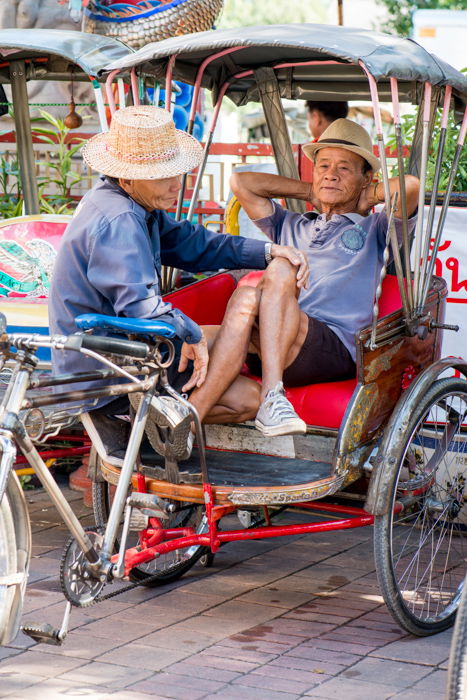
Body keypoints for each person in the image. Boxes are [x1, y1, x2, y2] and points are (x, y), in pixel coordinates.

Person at [48, 105, 307, 438]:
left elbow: (194, 244)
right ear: (127, 178)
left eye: (175, 172)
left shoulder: (134, 204)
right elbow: (139, 307)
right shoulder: (120, 219)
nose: (175, 184)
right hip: (110, 368)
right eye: (163, 176)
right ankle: (171, 431)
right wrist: (190, 334)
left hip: (124, 349)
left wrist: (268, 251)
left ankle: (173, 422)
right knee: (248, 398)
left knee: (237, 332)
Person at [187, 118, 419, 437]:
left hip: (330, 345)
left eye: (344, 168)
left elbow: (410, 187)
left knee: (281, 266)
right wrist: (312, 190)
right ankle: (189, 418)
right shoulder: (291, 224)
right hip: (272, 338)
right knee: (210, 321)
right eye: (323, 166)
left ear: (368, 177)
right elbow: (242, 182)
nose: (331, 174)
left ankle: (269, 395)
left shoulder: (375, 230)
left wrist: (368, 196)